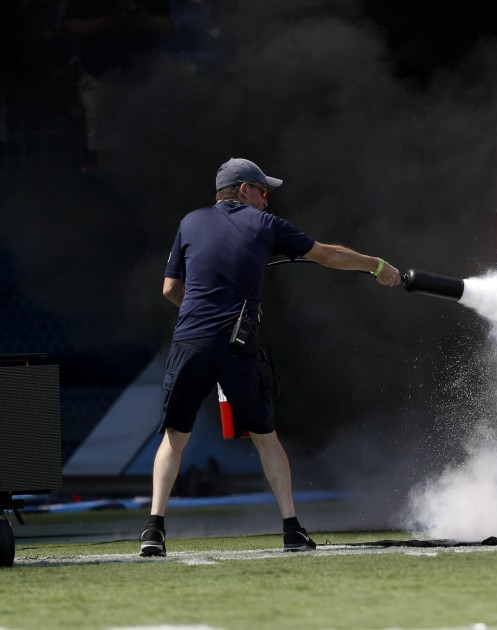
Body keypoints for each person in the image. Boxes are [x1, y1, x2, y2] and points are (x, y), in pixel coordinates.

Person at [139, 157, 401, 556]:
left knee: (175, 437)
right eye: (263, 192)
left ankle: (153, 531)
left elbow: (171, 288)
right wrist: (377, 266)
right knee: (265, 438)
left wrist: (199, 312)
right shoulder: (266, 225)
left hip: (190, 339)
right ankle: (292, 529)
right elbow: (327, 255)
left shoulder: (189, 222)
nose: (267, 200)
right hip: (238, 344)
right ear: (244, 190)